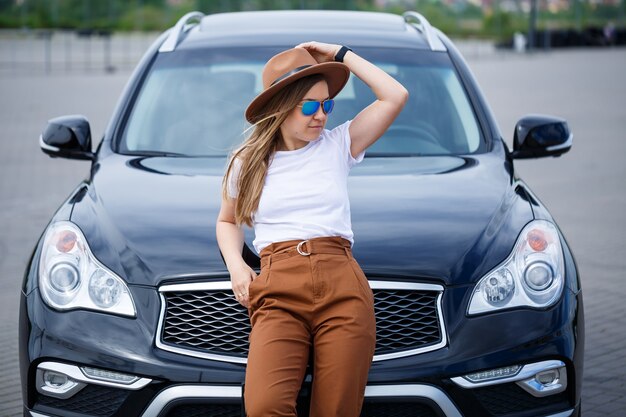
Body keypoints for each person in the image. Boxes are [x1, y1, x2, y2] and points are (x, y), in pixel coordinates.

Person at [216, 41, 408, 417]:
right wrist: (237, 267)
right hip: (277, 291)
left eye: (327, 105)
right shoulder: (247, 162)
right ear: (280, 108)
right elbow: (227, 221)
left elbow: (394, 95)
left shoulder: (339, 145)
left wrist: (340, 54)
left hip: (342, 285)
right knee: (264, 406)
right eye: (309, 106)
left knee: (336, 411)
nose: (321, 115)